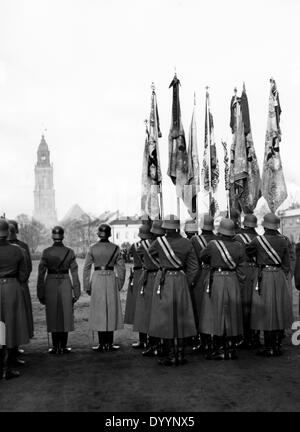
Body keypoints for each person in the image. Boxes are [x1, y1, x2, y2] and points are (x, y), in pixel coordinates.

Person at [147, 214, 198, 366]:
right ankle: (180, 354)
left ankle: (170, 355)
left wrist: (163, 265)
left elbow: (150, 254)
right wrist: (186, 281)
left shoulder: (159, 242)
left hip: (165, 280)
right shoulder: (187, 243)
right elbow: (194, 267)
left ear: (165, 228)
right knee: (182, 317)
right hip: (181, 279)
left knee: (165, 317)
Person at [246, 213, 293, 357]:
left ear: (265, 226)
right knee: (278, 308)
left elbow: (247, 251)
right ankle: (277, 345)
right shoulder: (284, 241)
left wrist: (259, 258)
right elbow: (287, 264)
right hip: (279, 275)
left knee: (265, 309)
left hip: (264, 276)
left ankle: (268, 346)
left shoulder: (258, 241)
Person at [200, 218, 245, 360]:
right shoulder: (239, 246)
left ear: (220, 231)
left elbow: (203, 257)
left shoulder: (213, 244)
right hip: (232, 279)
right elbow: (241, 266)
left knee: (216, 313)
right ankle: (230, 348)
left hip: (217, 278)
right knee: (232, 313)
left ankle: (218, 348)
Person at [37, 226, 81, 354]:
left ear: (52, 236)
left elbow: (41, 274)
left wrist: (40, 293)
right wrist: (77, 292)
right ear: (63, 236)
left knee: (52, 313)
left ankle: (55, 346)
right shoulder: (70, 252)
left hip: (50, 282)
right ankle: (64, 346)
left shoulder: (46, 252)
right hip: (66, 282)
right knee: (65, 313)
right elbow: (74, 273)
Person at [83, 224, 125, 352]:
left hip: (97, 279)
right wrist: (119, 284)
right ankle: (109, 343)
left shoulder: (92, 248)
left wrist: (87, 286)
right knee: (111, 310)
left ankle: (102, 344)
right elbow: (121, 268)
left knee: (99, 310)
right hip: (111, 278)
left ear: (98, 234)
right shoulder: (115, 248)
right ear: (109, 234)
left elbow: (86, 268)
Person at [0, 219, 30, 379]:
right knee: (11, 326)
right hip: (12, 287)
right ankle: (7, 367)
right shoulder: (18, 250)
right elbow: (24, 274)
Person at [133, 222, 162, 357]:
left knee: (147, 312)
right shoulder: (162, 244)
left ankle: (151, 343)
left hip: (150, 278)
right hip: (162, 276)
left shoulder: (141, 246)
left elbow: (137, 254)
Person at [191, 214, 217, 357]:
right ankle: (215, 341)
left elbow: (193, 260)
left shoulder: (195, 240)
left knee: (201, 309)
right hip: (216, 275)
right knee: (215, 309)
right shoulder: (218, 239)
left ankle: (204, 341)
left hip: (201, 275)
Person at [234, 214, 260, 348]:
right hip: (256, 272)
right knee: (256, 305)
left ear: (244, 224)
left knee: (244, 305)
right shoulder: (260, 238)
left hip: (242, 272)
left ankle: (245, 337)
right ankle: (255, 337)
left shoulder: (237, 238)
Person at [124, 226, 146, 349]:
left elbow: (129, 256)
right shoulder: (154, 244)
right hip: (150, 274)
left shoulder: (135, 245)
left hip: (138, 275)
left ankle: (142, 340)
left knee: (139, 308)